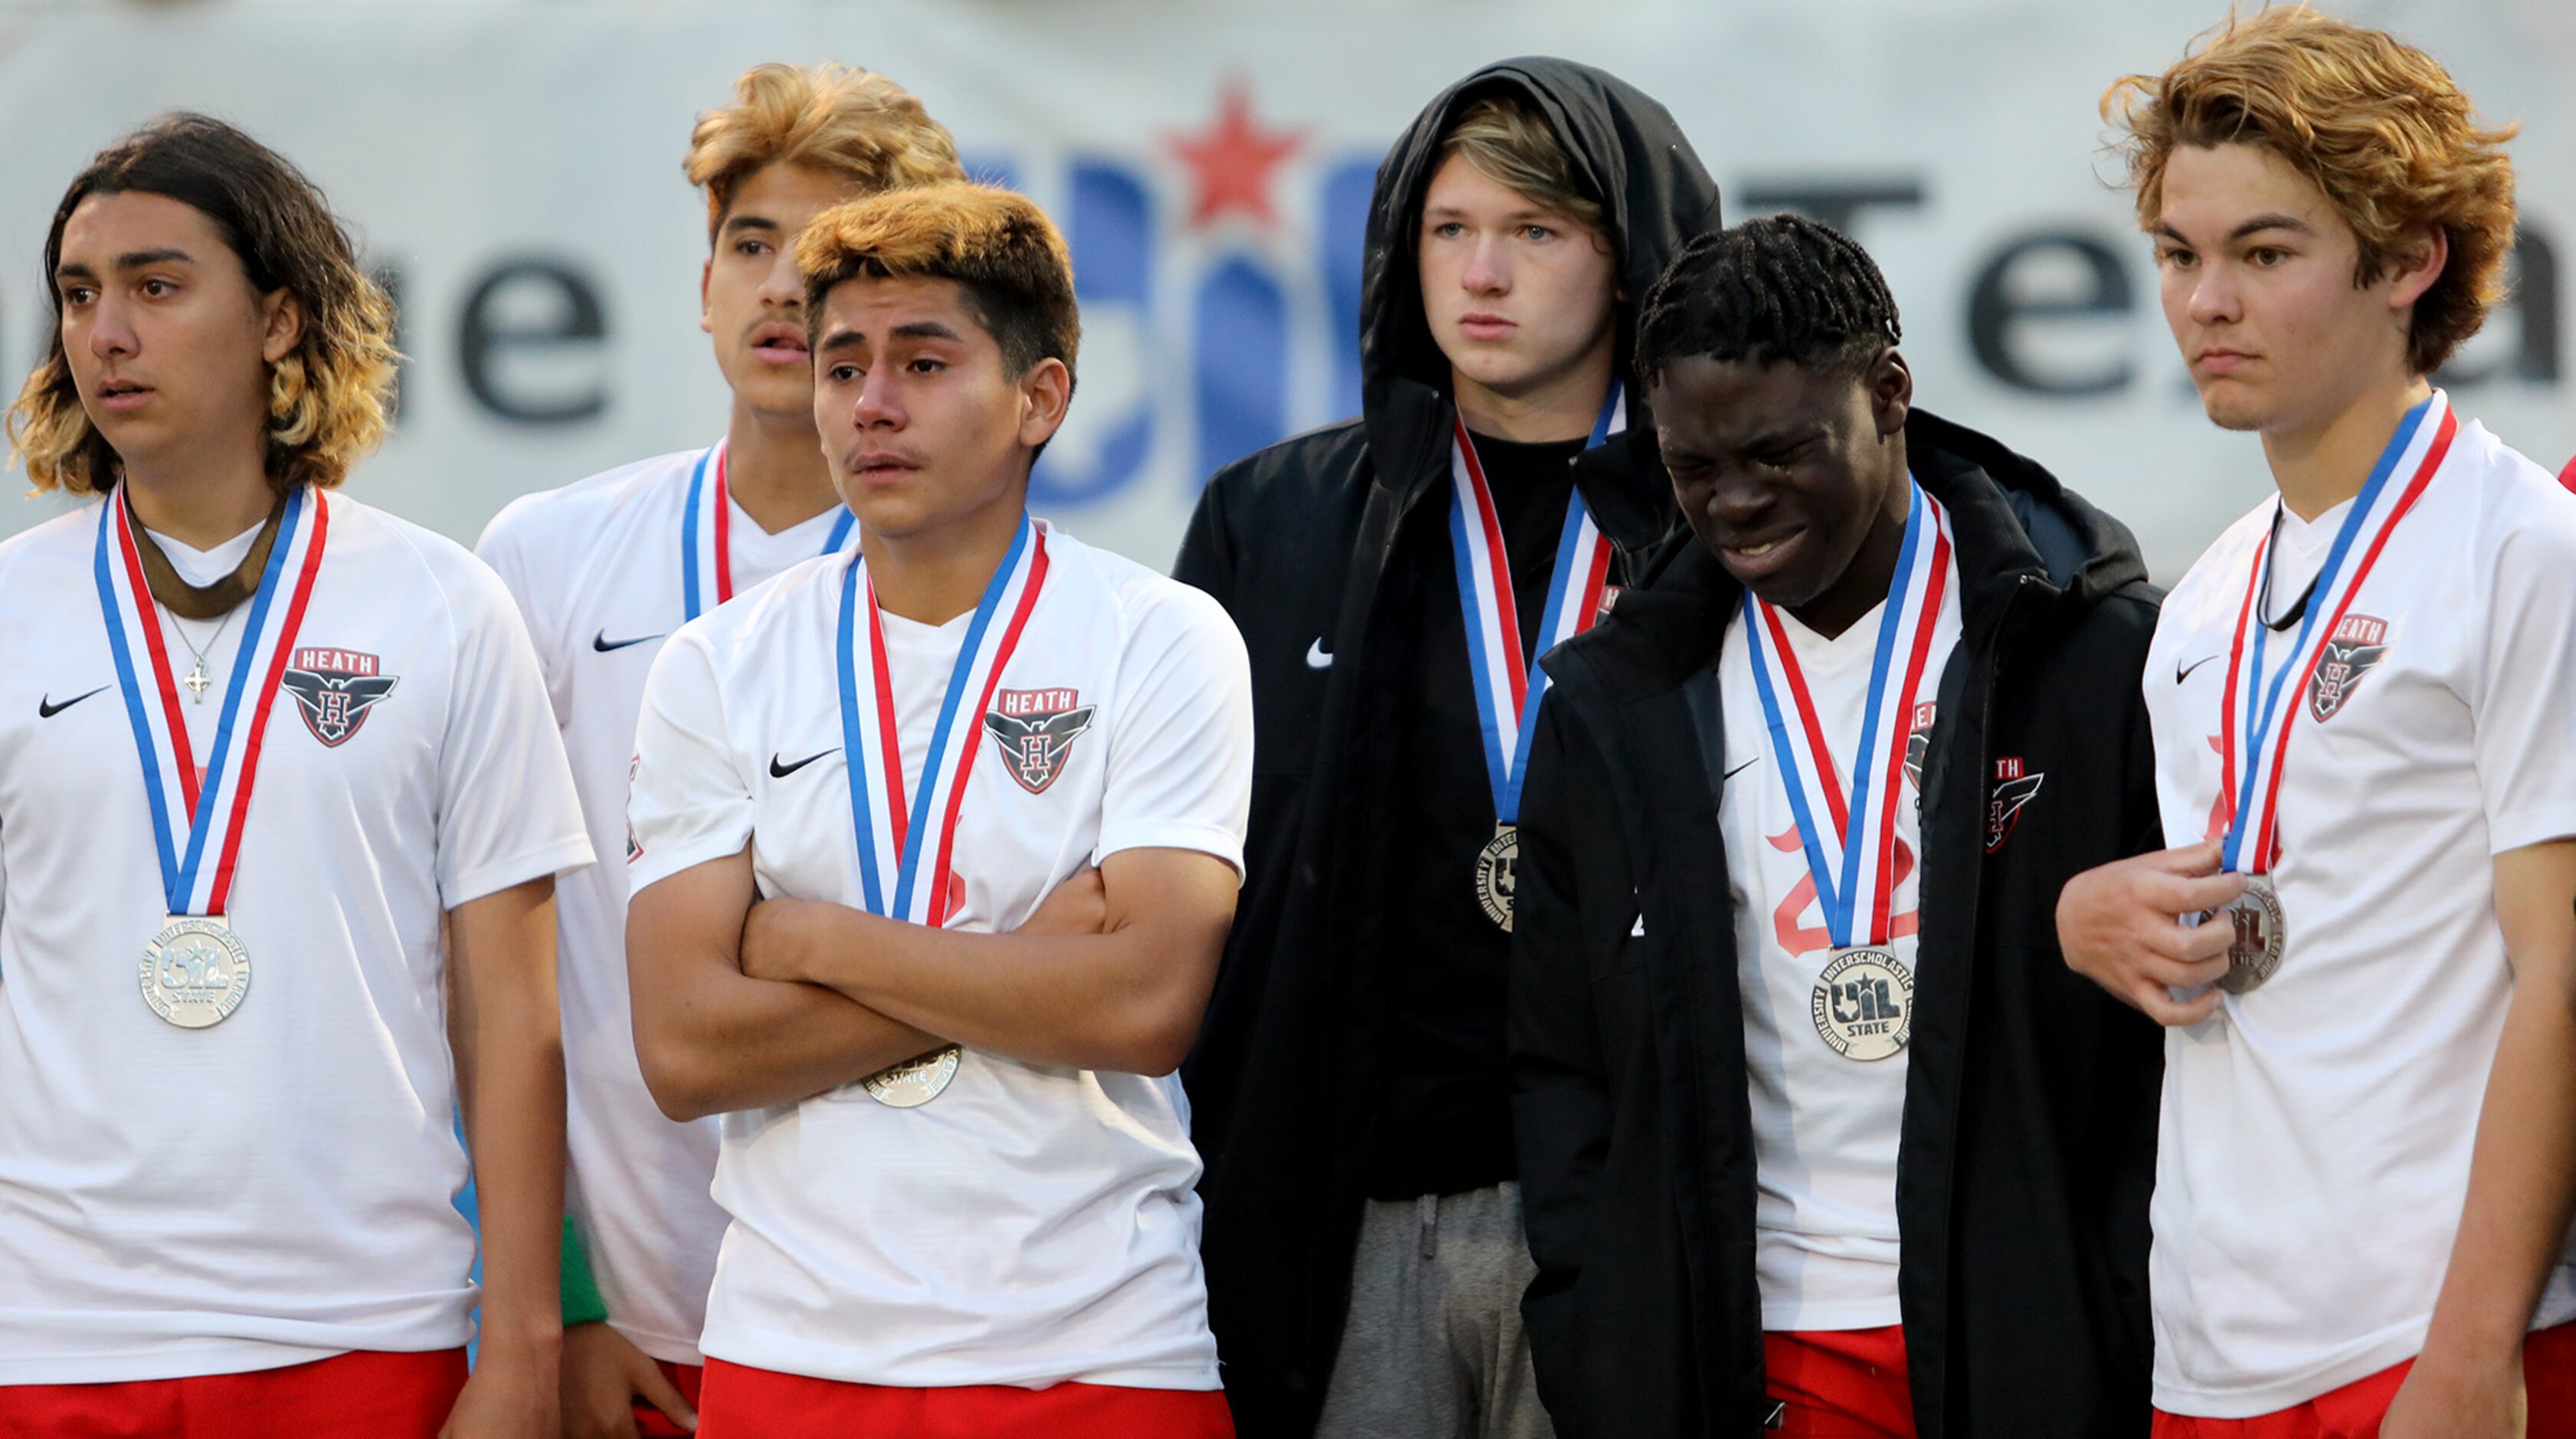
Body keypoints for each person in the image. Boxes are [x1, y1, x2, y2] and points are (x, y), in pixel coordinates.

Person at [1505, 214, 2165, 1437]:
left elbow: (2162, 1060)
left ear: (1890, 393)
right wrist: (1602, 1338)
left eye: (1778, 451)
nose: (1738, 503)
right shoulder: (1618, 702)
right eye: (1695, 468)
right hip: (1746, 1360)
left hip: (2035, 1350)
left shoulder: (2089, 657)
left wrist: (2114, 1304)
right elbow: (1564, 1068)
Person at [624, 180, 1252, 1437]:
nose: (872, 405)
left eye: (923, 359)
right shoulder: (714, 662)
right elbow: (687, 1051)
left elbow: (1142, 1007)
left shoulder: (1160, 637)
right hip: (792, 1351)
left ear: (1042, 399)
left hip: (1102, 1349)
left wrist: (809, 941)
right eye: (842, 363)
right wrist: (1024, 970)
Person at [0, 115, 589, 1437]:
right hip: (47, 1337)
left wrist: (524, 1355)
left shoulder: (445, 605)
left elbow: (514, 1017)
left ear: (279, 319)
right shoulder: (10, 610)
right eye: (79, 296)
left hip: (368, 1329)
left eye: (157, 286)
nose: (106, 332)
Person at [1174, 59, 1720, 1438]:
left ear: (1632, 262)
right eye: (1451, 228)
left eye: (1537, 232)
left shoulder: (1725, 525)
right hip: (1357, 1217)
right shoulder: (1274, 521)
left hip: (1628, 1211)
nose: (1484, 271)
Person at [2060, 10, 2576, 1435]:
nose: (2205, 302)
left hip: (2439, 1346)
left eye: (2265, 254)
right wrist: (2089, 919)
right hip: (2213, 1354)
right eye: (2179, 255)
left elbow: (2564, 976)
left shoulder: (2526, 548)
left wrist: (2473, 1358)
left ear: (2409, 259)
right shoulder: (2203, 600)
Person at [475, 61, 961, 1439]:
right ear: (700, 290)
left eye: (830, 256)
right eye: (750, 246)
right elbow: (480, 959)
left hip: (886, 1320)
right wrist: (559, 1301)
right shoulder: (547, 557)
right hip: (623, 1327)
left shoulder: (980, 597)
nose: (782, 288)